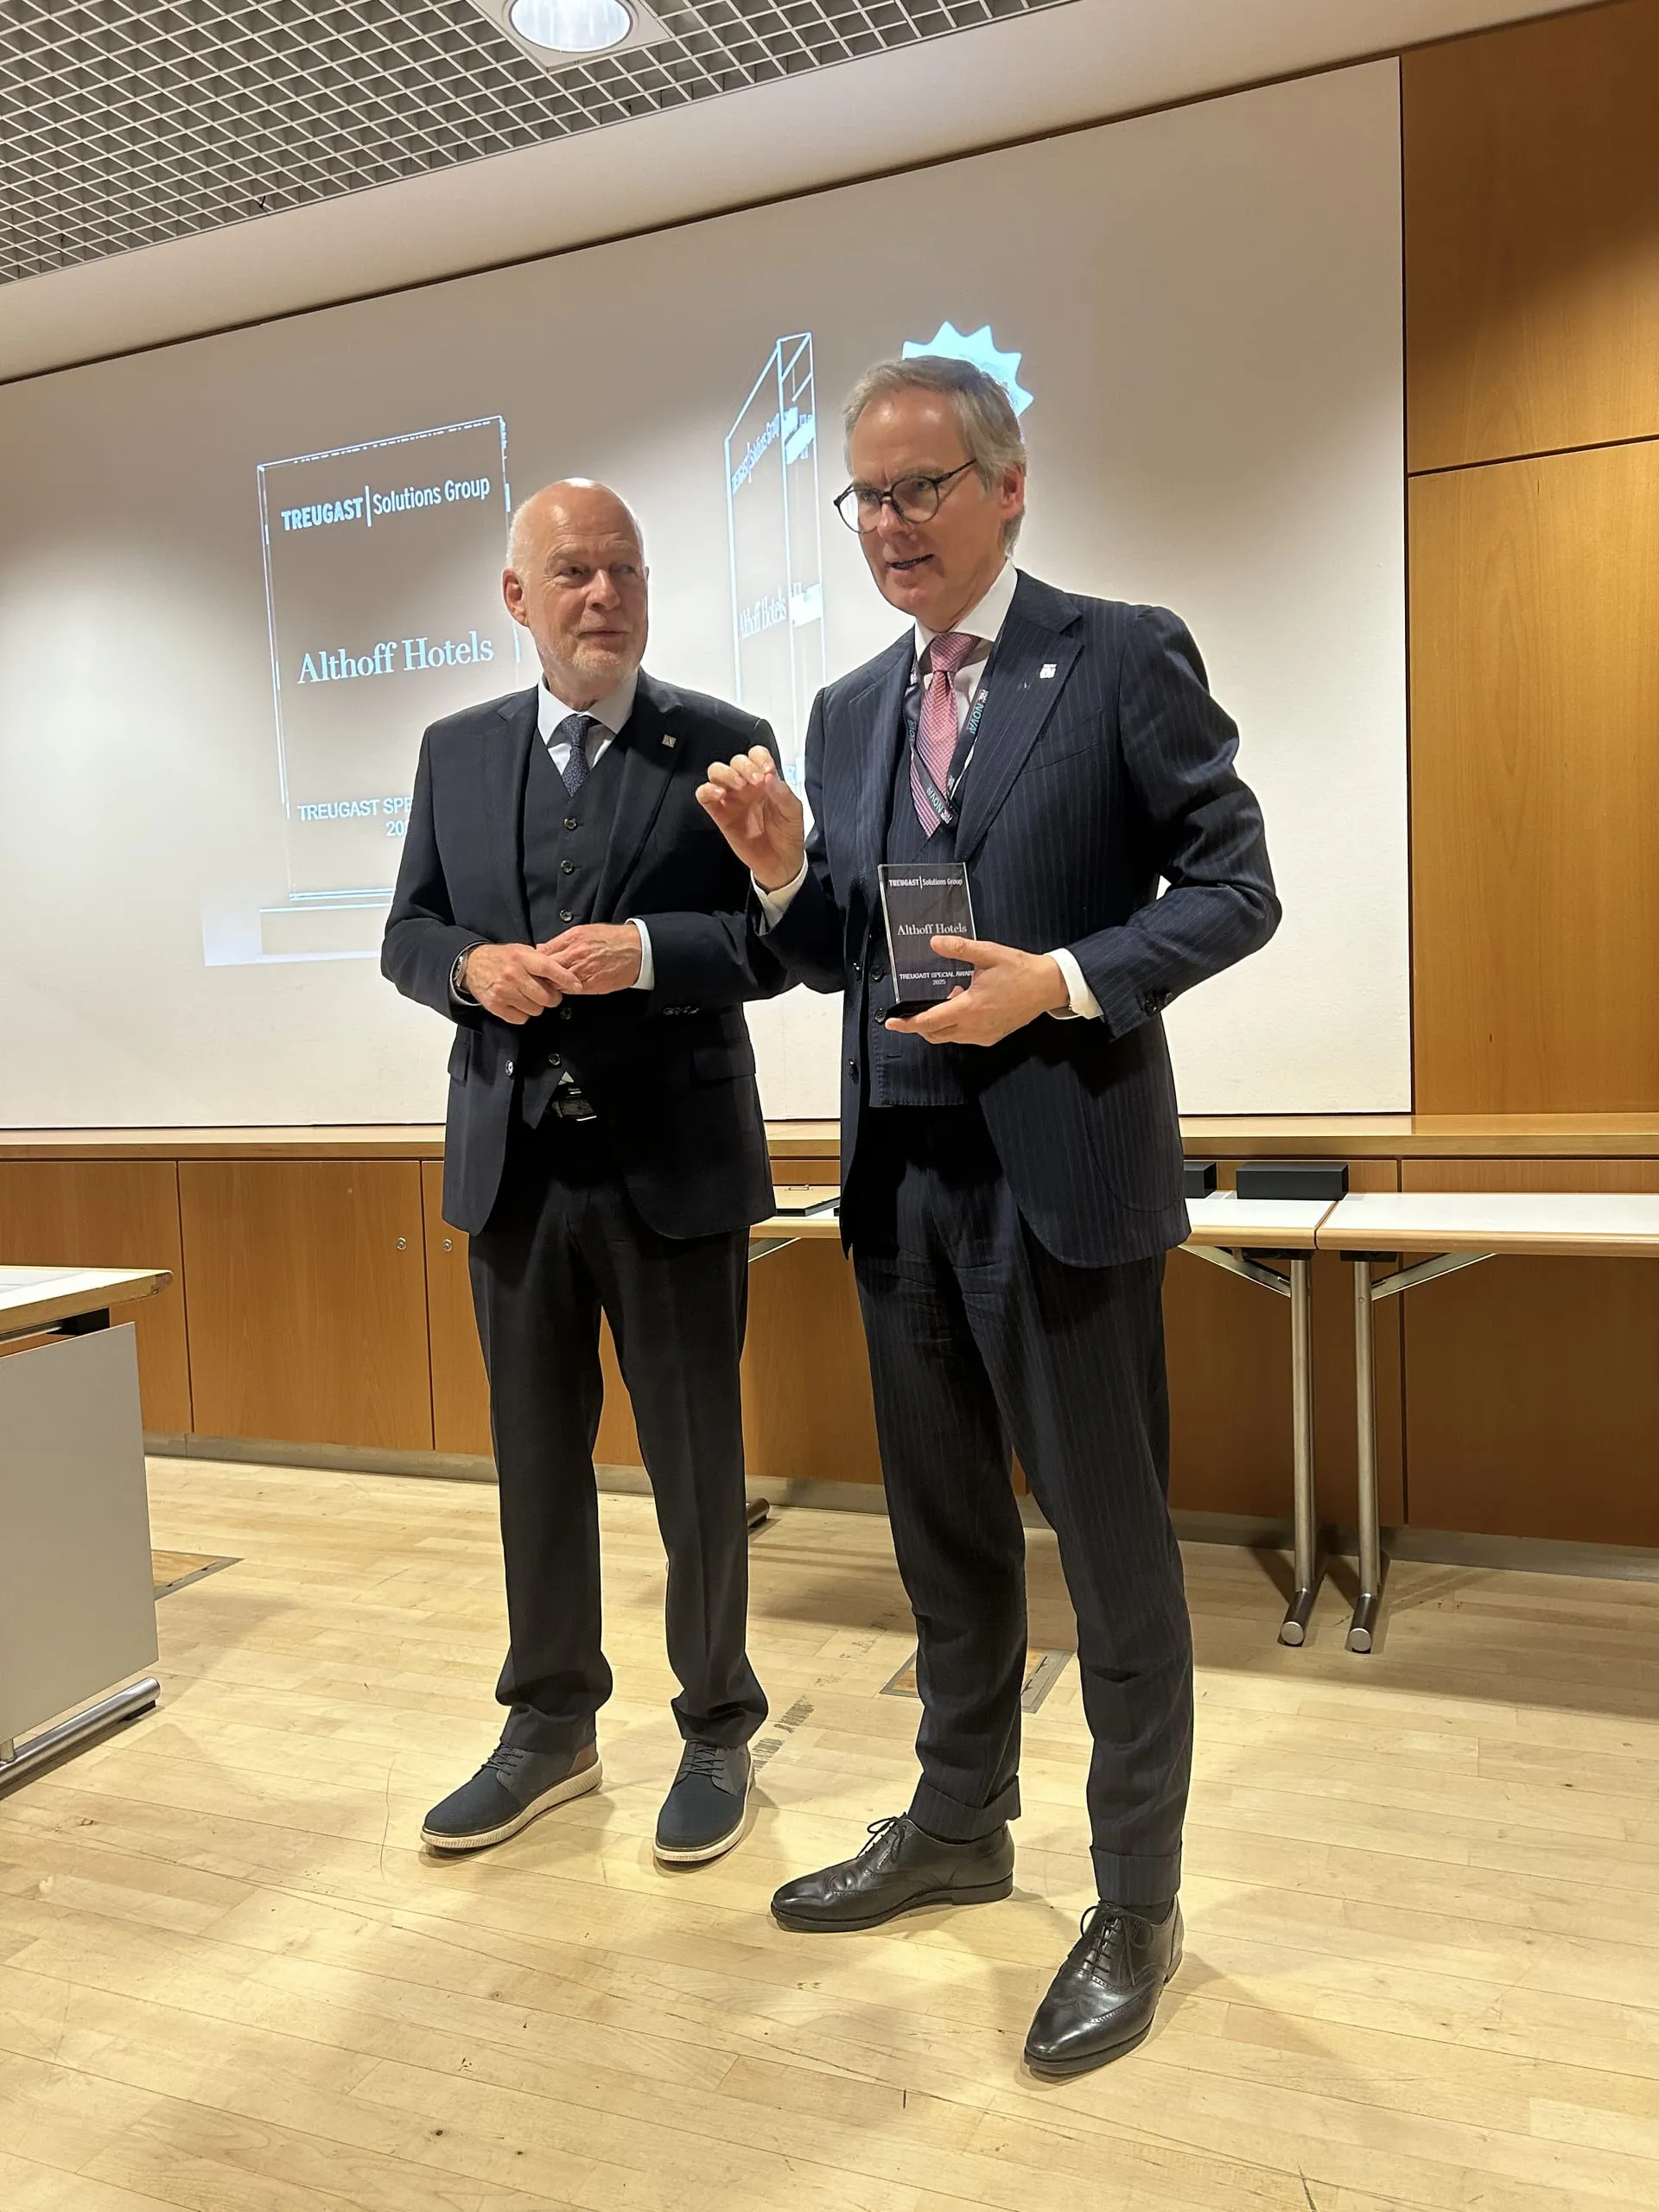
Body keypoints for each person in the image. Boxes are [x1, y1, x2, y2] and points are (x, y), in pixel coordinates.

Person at [697, 359, 1279, 2075]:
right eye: (865, 500)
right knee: (946, 1545)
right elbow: (837, 958)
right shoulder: (849, 705)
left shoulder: (1121, 653)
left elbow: (1237, 882)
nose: (889, 527)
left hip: (1070, 1177)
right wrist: (792, 877)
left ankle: (1137, 1898)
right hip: (904, 1183)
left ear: (1008, 486)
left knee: (1110, 1565)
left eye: (921, 489)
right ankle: (959, 1822)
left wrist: (1069, 979)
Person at [384, 480, 785, 1866]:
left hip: (671, 1168)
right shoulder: (454, 751)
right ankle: (550, 1725)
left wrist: (653, 950)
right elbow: (406, 931)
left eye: (624, 569)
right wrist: (466, 971)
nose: (603, 594)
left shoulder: (724, 748)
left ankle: (719, 1726)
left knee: (696, 1465)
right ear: (519, 600)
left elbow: (780, 944)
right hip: (514, 1172)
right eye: (573, 573)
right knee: (533, 1462)